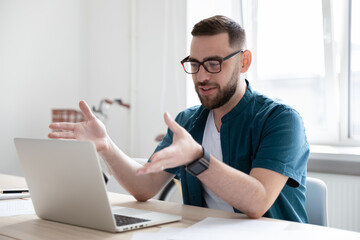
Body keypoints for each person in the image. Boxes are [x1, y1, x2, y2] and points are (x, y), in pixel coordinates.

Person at [49, 15, 309, 223]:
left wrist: (197, 158)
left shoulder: (281, 120)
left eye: (214, 64)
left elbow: (258, 202)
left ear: (244, 61)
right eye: (194, 64)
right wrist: (106, 145)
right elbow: (145, 186)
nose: (201, 76)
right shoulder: (188, 121)